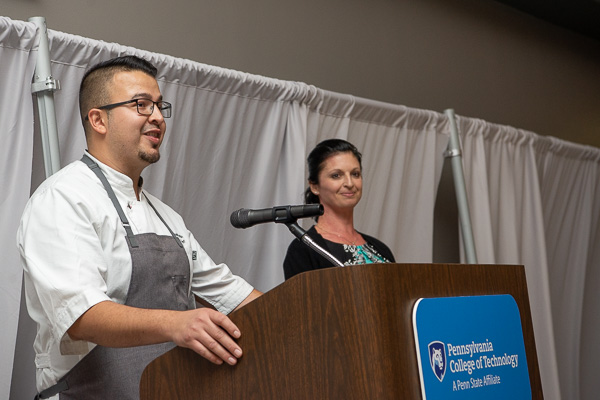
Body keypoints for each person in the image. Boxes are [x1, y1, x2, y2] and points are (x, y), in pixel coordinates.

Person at [17, 55, 261, 399]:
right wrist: (178, 323)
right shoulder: (62, 198)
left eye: (160, 106)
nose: (158, 117)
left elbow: (231, 294)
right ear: (98, 120)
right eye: (141, 105)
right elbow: (82, 316)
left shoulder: (166, 217)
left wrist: (306, 314)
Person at [283, 139, 395, 280]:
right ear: (315, 186)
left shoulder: (380, 249)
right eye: (336, 175)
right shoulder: (304, 249)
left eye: (355, 174)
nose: (349, 183)